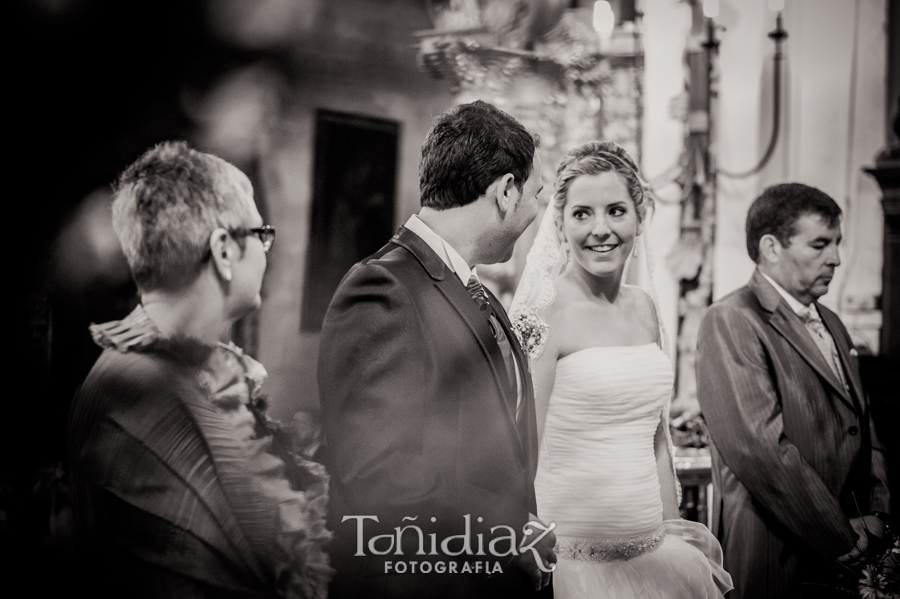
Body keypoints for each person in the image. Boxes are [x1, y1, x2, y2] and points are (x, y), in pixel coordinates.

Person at [68, 141, 332, 599]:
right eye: (261, 235)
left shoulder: (134, 366)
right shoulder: (165, 395)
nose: (267, 251)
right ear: (225, 250)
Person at [318, 100, 556, 599]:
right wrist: (508, 528)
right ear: (505, 192)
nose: (536, 213)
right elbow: (377, 472)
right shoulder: (382, 288)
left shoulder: (473, 289)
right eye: (537, 195)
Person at [510, 140, 732, 598]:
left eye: (615, 211)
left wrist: (672, 532)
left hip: (654, 554)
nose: (600, 230)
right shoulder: (545, 312)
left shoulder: (646, 307)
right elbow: (519, 449)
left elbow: (655, 439)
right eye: (582, 214)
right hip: (572, 562)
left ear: (639, 216)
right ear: (561, 222)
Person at [696, 183, 891, 598]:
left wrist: (876, 510)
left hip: (852, 543)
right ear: (771, 247)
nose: (836, 259)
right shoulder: (733, 319)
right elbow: (761, 449)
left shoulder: (833, 322)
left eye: (837, 244)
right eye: (820, 244)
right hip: (777, 552)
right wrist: (838, 534)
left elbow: (864, 424)